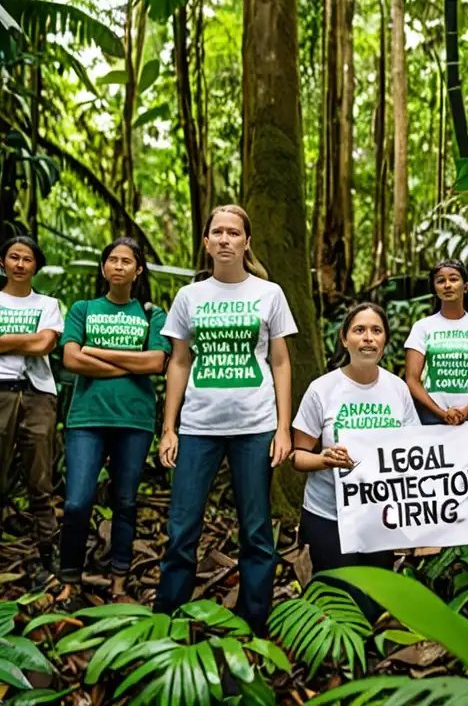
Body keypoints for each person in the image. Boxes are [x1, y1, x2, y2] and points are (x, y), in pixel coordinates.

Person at [294, 302, 468, 619]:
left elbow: (418, 457)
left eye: (376, 331)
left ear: (385, 340)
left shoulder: (397, 389)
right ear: (344, 339)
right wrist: (324, 459)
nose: (368, 338)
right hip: (328, 515)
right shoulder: (322, 390)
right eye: (359, 330)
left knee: (375, 600)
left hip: (379, 518)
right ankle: (337, 666)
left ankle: (371, 665)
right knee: (336, 600)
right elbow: (298, 456)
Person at [155, 205, 297, 634]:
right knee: (181, 529)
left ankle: (253, 626)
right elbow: (178, 362)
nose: (224, 239)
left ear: (246, 241)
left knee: (255, 531)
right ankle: (168, 623)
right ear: (206, 242)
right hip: (199, 427)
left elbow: (281, 362)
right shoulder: (189, 297)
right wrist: (169, 428)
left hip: (255, 426)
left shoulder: (269, 293)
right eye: (216, 232)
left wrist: (284, 428)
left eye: (233, 232)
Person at [58, 238, 171, 598]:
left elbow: (156, 363)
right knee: (76, 502)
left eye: (127, 261)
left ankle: (119, 579)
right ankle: (69, 579)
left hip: (134, 421)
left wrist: (96, 352)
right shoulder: (83, 309)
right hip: (86, 418)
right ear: (104, 268)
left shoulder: (154, 315)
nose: (119, 266)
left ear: (138, 271)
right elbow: (71, 360)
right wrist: (127, 364)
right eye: (113, 260)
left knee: (125, 500)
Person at [0, 236, 63, 584]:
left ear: (36, 266)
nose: (20, 264)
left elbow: (45, 344)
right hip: (1, 393)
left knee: (40, 479)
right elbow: (35, 340)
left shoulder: (49, 303)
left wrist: (8, 341)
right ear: (3, 262)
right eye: (14, 257)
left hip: (37, 396)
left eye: (27, 259)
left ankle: (45, 555)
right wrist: (29, 338)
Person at [405, 259, 468, 431]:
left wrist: (466, 411)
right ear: (435, 289)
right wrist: (442, 413)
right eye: (441, 281)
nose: (447, 285)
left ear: (466, 286)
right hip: (431, 422)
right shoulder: (422, 328)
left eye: (453, 279)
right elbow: (412, 380)